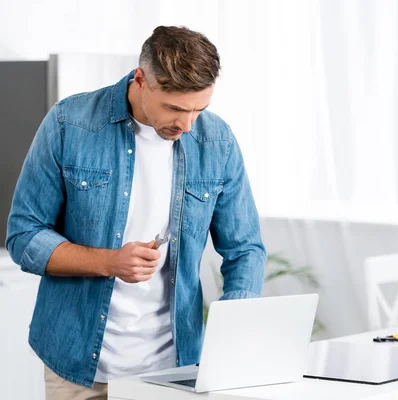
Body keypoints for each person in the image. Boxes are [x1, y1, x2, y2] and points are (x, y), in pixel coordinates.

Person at [6, 25, 266, 400]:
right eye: (175, 108)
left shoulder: (217, 140)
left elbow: (245, 249)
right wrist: (110, 262)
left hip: (174, 368)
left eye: (198, 109)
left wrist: (235, 320)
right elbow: (24, 236)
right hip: (77, 365)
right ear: (141, 79)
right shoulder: (70, 124)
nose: (187, 124)